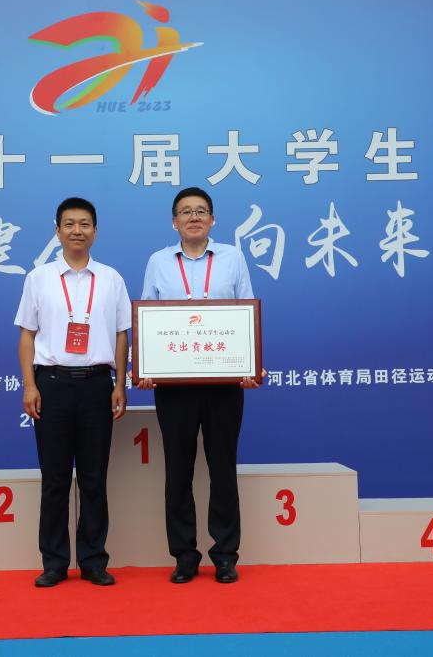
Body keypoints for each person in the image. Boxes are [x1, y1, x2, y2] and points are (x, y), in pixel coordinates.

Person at [138, 186, 263, 584]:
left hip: (224, 383)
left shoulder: (232, 258)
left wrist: (250, 365)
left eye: (201, 211)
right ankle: (184, 554)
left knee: (223, 468)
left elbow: (246, 311)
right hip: (174, 386)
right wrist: (145, 367)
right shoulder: (158, 262)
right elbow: (148, 317)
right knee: (178, 470)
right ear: (174, 222)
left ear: (212, 220)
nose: (194, 217)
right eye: (186, 212)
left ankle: (225, 554)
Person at [15, 197, 130, 588]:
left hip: (97, 385)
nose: (76, 230)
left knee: (94, 479)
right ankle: (54, 562)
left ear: (95, 231)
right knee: (55, 479)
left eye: (84, 224)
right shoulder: (39, 278)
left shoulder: (111, 279)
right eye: (69, 224)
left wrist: (119, 383)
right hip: (51, 384)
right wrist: (29, 384)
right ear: (57, 231)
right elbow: (27, 335)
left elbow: (121, 335)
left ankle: (94, 560)